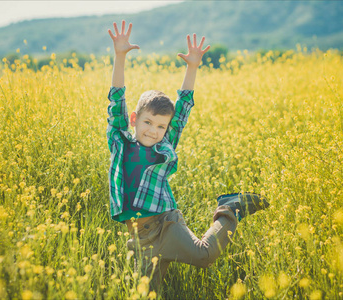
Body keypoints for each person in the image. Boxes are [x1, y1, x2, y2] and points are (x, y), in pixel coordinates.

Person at [106, 20, 269, 290]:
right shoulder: (121, 141)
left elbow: (182, 111)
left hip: (164, 224)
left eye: (161, 126)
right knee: (145, 294)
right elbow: (116, 101)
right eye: (148, 122)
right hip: (140, 237)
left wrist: (192, 67)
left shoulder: (164, 145)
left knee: (204, 255)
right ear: (134, 119)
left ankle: (230, 208)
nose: (153, 131)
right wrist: (119, 56)